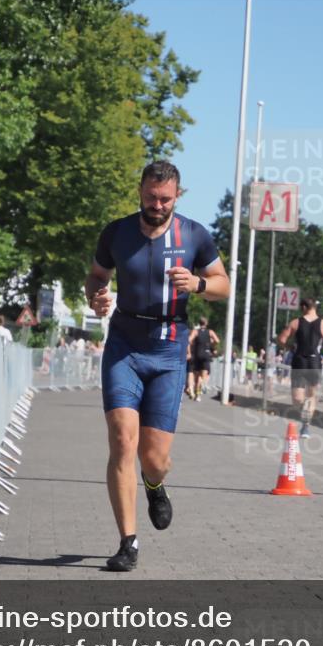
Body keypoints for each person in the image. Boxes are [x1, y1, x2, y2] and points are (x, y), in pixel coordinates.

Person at [86, 161, 229, 572]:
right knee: (121, 441)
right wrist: (96, 295)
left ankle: (154, 483)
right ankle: (128, 542)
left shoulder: (195, 235)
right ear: (140, 191)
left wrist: (200, 285)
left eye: (165, 199)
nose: (157, 205)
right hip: (124, 347)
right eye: (151, 196)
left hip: (168, 353)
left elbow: (223, 283)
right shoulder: (117, 232)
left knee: (153, 458)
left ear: (177, 196)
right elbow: (96, 275)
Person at [278, 297, 323, 438]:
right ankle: (306, 419)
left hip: (301, 360)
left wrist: (289, 347)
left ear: (304, 307)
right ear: (314, 307)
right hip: (313, 362)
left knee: (299, 399)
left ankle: (305, 426)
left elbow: (281, 339)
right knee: (305, 398)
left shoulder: (295, 322)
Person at [188, 317, 219, 401]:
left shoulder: (195, 331)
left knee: (197, 376)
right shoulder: (210, 332)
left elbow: (189, 340)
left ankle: (197, 393)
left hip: (198, 354)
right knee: (203, 377)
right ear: (206, 323)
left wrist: (194, 344)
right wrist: (211, 344)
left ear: (199, 323)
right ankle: (199, 392)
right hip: (206, 354)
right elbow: (217, 340)